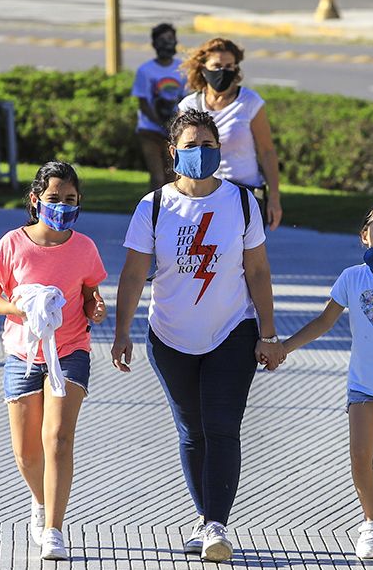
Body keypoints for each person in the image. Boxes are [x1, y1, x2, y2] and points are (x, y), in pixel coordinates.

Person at [111, 108, 284, 563]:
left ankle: (216, 525)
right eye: (191, 146)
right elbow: (133, 275)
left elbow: (258, 271)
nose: (201, 153)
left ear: (220, 150)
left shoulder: (241, 202)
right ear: (173, 152)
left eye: (209, 145)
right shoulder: (153, 207)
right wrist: (122, 331)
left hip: (232, 330)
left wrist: (268, 333)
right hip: (170, 337)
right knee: (192, 431)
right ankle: (207, 516)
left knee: (222, 427)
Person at [281, 202, 373, 561]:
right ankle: (370, 521)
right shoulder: (351, 278)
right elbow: (324, 321)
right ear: (365, 236)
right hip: (363, 382)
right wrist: (284, 347)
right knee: (360, 454)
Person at [0, 161, 108, 562]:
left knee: (58, 439)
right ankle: (40, 500)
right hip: (22, 353)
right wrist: (16, 310)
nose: (62, 206)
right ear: (36, 200)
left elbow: (90, 293)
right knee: (26, 453)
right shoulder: (12, 244)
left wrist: (96, 305)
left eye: (70, 199)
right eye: (54, 198)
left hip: (70, 351)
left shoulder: (84, 248)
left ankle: (53, 529)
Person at [177, 38, 283, 230]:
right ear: (203, 68)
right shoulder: (189, 105)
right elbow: (182, 154)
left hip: (244, 194)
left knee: (245, 248)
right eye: (217, 66)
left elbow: (267, 151)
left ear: (236, 68)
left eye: (229, 66)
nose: (223, 72)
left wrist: (274, 198)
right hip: (203, 194)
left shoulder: (249, 102)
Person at [132, 23, 185, 190]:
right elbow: (144, 103)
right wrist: (162, 125)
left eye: (170, 39)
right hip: (150, 131)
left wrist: (174, 126)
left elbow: (185, 98)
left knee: (172, 176)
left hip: (174, 130)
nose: (166, 44)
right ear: (154, 44)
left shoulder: (182, 69)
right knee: (157, 177)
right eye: (162, 40)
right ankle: (153, 205)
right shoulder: (145, 70)